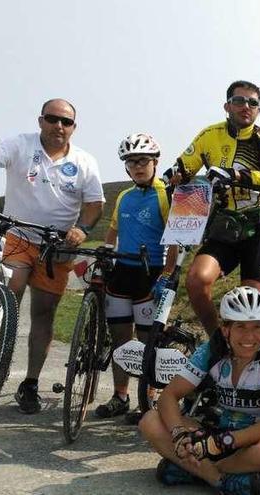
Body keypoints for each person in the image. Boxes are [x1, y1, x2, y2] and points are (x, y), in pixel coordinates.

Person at [0, 98, 104, 414]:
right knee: (9, 287)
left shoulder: (85, 162)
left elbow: (95, 204)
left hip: (56, 248)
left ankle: (29, 383)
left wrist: (82, 228)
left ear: (74, 127)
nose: (59, 126)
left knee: (44, 313)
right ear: (41, 120)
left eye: (66, 122)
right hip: (17, 236)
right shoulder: (19, 145)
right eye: (53, 119)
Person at [139, 286, 260, 495]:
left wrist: (221, 443)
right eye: (240, 327)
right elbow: (169, 396)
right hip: (216, 438)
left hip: (253, 441)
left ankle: (194, 469)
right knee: (150, 420)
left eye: (257, 327)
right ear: (225, 329)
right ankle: (219, 479)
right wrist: (178, 434)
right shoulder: (210, 352)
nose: (249, 337)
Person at [170, 80, 260, 336]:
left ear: (258, 110)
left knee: (252, 302)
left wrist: (238, 175)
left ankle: (257, 355)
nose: (246, 106)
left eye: (252, 102)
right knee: (196, 280)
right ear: (227, 106)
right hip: (225, 224)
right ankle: (217, 342)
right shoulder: (209, 135)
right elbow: (184, 167)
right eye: (239, 101)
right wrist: (174, 174)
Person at [94, 133, 179, 423]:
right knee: (120, 339)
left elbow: (175, 238)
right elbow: (114, 229)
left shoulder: (164, 193)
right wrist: (105, 250)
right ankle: (121, 395)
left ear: (155, 162)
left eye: (143, 160)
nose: (137, 166)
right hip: (122, 271)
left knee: (146, 341)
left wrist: (168, 273)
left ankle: (149, 399)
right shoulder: (123, 196)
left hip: (150, 272)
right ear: (126, 168)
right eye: (131, 162)